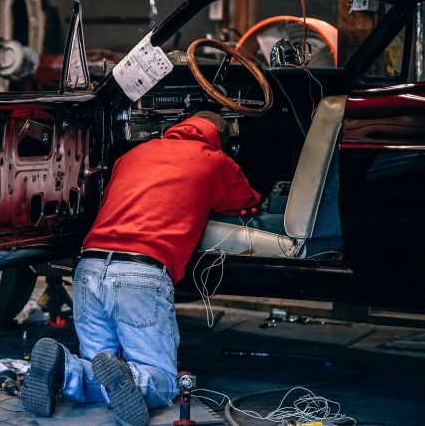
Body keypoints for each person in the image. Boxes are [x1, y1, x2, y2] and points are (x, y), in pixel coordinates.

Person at [18, 111, 262, 424]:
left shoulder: (134, 153)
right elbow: (245, 203)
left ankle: (64, 369)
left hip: (89, 266)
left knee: (98, 366)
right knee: (163, 380)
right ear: (219, 140)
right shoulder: (218, 162)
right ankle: (133, 374)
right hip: (140, 272)